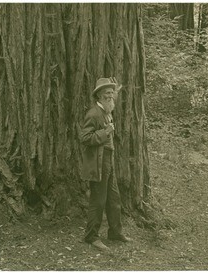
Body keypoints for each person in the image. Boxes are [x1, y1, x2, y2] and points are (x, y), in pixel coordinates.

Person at [80, 77, 132, 251]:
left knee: (114, 198)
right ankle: (91, 236)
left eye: (112, 93)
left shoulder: (107, 111)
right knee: (98, 200)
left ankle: (115, 232)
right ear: (100, 96)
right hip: (98, 163)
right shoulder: (94, 114)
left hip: (108, 161)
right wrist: (105, 132)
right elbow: (85, 138)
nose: (112, 96)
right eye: (108, 93)